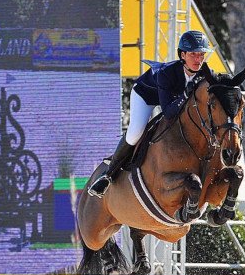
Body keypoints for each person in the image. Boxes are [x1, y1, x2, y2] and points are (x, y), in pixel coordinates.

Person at [88, 30, 213, 198]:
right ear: (182, 55)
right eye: (193, 54)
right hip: (145, 96)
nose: (198, 60)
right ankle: (108, 175)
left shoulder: (205, 72)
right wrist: (185, 95)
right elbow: (168, 113)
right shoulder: (167, 73)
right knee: (135, 133)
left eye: (201, 55)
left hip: (172, 101)